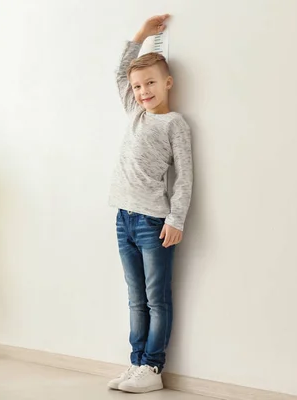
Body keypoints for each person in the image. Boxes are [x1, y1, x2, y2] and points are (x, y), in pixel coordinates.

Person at [107, 14, 193, 394]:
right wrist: (141, 35)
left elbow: (185, 178)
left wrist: (176, 220)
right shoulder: (134, 112)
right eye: (139, 86)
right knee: (135, 298)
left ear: (167, 83)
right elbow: (121, 72)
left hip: (153, 223)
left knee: (157, 298)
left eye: (151, 83)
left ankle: (153, 368)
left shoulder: (174, 123)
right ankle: (136, 362)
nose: (143, 91)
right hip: (123, 219)